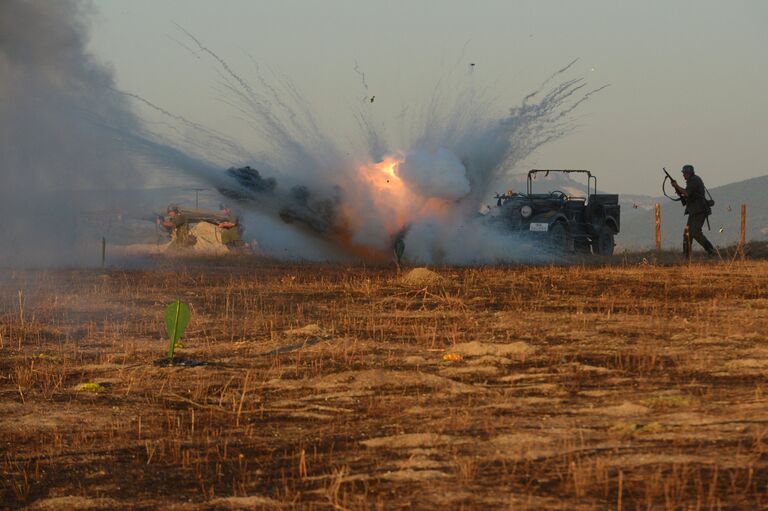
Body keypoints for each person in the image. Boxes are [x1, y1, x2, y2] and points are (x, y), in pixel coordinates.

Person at [671, 164, 715, 257]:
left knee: (695, 232)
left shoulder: (694, 180)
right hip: (694, 211)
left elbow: (686, 193)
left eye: (684, 173)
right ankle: (686, 256)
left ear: (688, 173)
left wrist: (677, 185)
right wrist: (676, 188)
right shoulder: (692, 180)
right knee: (687, 233)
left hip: (699, 210)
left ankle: (711, 251)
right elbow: (686, 194)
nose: (683, 175)